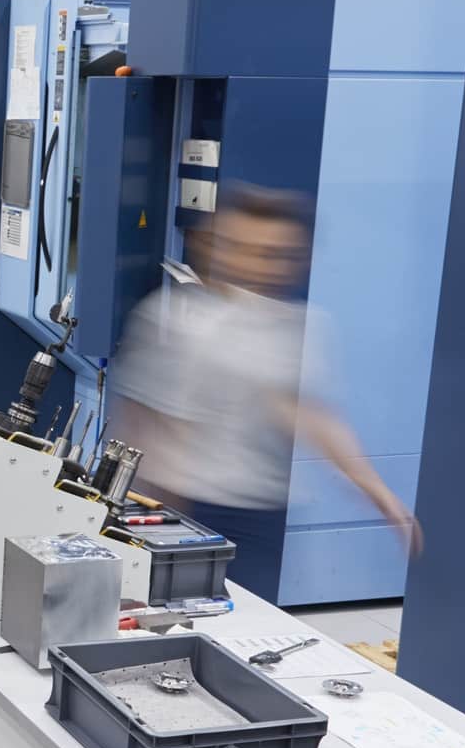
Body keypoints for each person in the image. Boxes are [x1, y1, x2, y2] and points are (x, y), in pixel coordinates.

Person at [109, 182, 420, 575]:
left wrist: (376, 490)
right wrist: (138, 512)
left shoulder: (303, 326)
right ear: (219, 248)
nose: (262, 265)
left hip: (263, 510)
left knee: (247, 624)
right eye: (248, 250)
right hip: (185, 505)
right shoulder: (175, 320)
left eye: (277, 255)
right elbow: (142, 426)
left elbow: (309, 414)